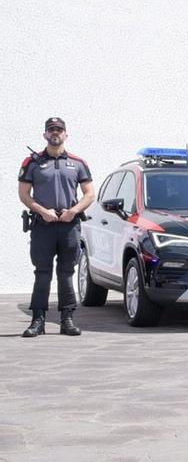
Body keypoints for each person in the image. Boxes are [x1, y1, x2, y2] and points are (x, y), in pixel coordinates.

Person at [17, 117, 95, 337]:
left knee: (66, 273)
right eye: (51, 130)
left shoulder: (78, 163)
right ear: (45, 134)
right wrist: (43, 211)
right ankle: (38, 321)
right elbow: (24, 194)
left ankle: (67, 320)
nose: (55, 133)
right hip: (43, 226)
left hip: (69, 226)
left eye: (59, 130)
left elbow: (90, 194)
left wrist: (73, 211)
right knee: (42, 273)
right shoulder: (31, 162)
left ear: (65, 134)